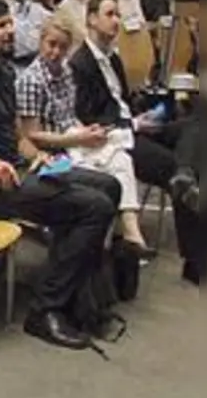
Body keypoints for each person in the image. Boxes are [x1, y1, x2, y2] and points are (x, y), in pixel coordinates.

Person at [0, 0, 120, 350]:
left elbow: (17, 136)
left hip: (19, 170)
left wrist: (38, 156)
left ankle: (81, 298)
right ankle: (46, 310)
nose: (10, 30)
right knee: (94, 207)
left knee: (108, 185)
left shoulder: (4, 70)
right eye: (0, 25)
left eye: (10, 23)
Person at [70, 0, 200, 267]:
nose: (116, 20)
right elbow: (87, 117)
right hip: (116, 138)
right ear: (91, 20)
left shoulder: (114, 59)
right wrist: (134, 124)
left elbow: (123, 103)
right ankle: (194, 250)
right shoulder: (79, 64)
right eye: (110, 14)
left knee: (195, 127)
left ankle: (188, 174)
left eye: (118, 14)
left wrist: (143, 115)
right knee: (173, 166)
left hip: (134, 125)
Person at [16, 16, 151, 252]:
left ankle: (131, 232)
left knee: (121, 158)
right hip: (53, 152)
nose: (56, 52)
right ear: (41, 42)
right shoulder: (30, 81)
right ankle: (103, 240)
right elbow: (33, 136)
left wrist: (87, 130)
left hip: (73, 138)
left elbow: (69, 116)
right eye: (51, 44)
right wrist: (79, 138)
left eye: (63, 47)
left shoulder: (67, 72)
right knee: (104, 178)